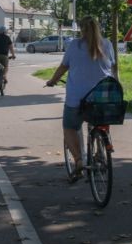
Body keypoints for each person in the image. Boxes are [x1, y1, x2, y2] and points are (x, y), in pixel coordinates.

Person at [45, 16, 115, 182]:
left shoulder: (74, 45)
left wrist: (52, 81)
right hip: (102, 97)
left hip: (78, 99)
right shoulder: (107, 44)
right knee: (102, 118)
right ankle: (101, 150)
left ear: (81, 29)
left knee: (69, 127)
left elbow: (64, 66)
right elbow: (111, 66)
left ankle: (78, 160)